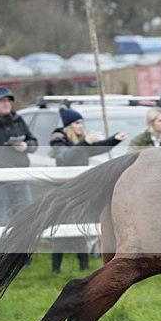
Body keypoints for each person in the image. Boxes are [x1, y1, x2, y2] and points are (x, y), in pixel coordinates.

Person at [49, 106, 128, 273]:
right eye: (77, 123)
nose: (80, 126)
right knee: (60, 234)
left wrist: (114, 139)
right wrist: (85, 142)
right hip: (64, 193)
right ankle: (55, 269)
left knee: (79, 229)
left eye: (81, 123)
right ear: (69, 125)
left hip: (79, 191)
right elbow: (65, 156)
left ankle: (83, 268)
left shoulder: (80, 140)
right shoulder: (58, 139)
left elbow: (98, 147)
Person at [0, 86, 38, 252]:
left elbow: (34, 142)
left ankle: (22, 257)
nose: (6, 104)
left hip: (20, 178)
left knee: (24, 219)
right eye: (2, 101)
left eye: (8, 100)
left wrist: (25, 146)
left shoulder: (18, 120)